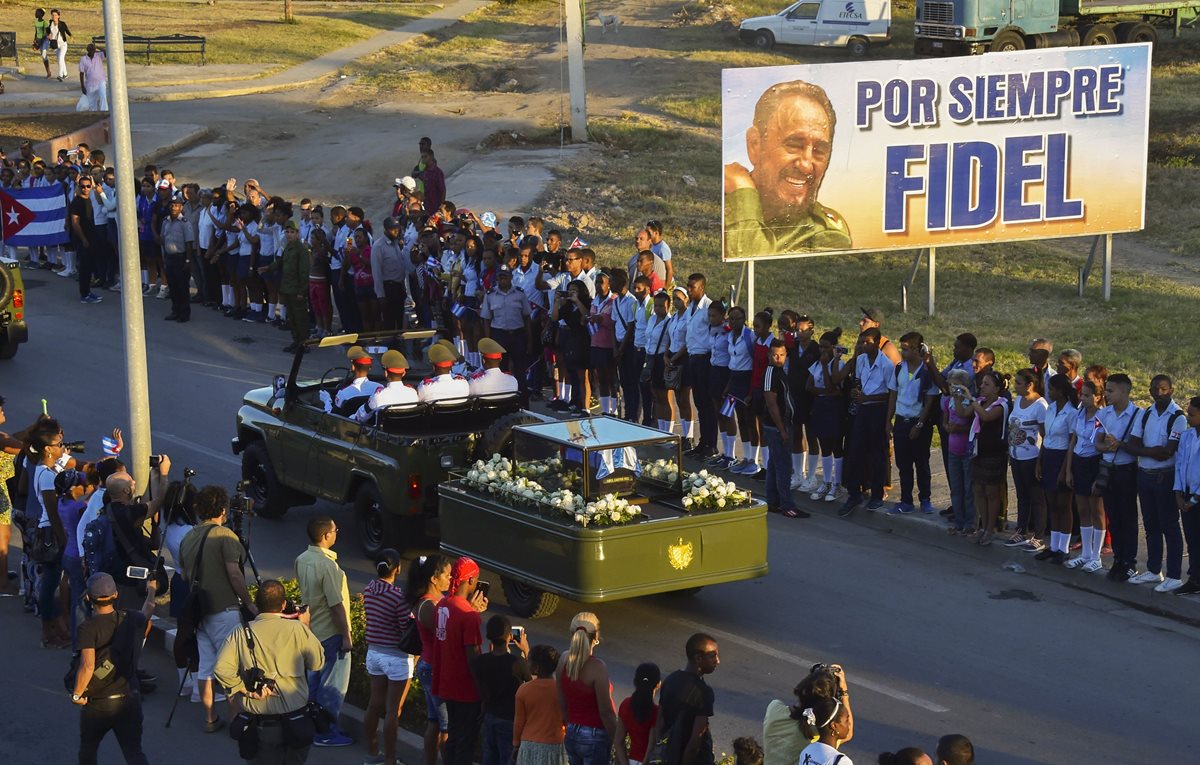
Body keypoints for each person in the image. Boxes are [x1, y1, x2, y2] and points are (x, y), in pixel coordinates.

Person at [724, 79, 850, 258]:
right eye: (794, 145)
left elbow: (757, 264)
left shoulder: (826, 235)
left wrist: (743, 198)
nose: (806, 165)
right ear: (755, 144)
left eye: (819, 150)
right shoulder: (721, 197)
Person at [213, 579, 326, 765]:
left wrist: (244, 689)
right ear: (283, 605)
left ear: (257, 605)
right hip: (296, 720)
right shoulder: (297, 629)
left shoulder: (241, 632)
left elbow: (221, 668)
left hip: (260, 726)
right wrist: (306, 625)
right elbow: (317, 663)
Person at [178, 485, 254, 732]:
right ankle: (236, 720)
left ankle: (210, 718)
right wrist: (249, 602)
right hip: (225, 609)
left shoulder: (189, 537)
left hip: (200, 611)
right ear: (223, 509)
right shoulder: (225, 535)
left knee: (207, 667)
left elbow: (183, 574)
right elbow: (235, 573)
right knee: (233, 668)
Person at [71, 572, 158, 765]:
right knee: (134, 753)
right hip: (129, 698)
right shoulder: (130, 618)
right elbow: (149, 608)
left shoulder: (88, 628)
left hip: (98, 703)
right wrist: (151, 589)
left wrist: (77, 694)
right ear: (115, 594)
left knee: (88, 750)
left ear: (89, 598)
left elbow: (87, 665)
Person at [294, 516, 354, 747]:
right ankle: (326, 732)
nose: (336, 533)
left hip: (313, 631)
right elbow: (336, 605)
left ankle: (311, 726)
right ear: (326, 536)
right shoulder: (328, 566)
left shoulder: (302, 559)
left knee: (314, 683)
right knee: (332, 686)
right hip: (331, 633)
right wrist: (346, 636)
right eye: (335, 530)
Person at [1124, 374, 1186, 591]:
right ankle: (1153, 570)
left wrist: (1143, 450)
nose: (1158, 393)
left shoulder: (1177, 416)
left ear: (1171, 390)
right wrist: (1152, 452)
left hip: (1164, 476)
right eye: (1155, 389)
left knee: (1169, 525)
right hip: (1145, 475)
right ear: (1149, 391)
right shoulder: (1146, 413)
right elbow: (1132, 445)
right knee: (1151, 524)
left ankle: (1174, 575)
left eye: (1163, 389)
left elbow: (1168, 451)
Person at [362, 548, 416, 765]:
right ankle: (391, 760)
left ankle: (372, 754)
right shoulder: (398, 596)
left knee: (374, 704)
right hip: (396, 658)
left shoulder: (368, 590)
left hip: (374, 654)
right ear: (398, 569)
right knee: (393, 710)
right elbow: (406, 629)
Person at [435, 556, 489, 765]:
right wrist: (483, 691)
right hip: (466, 690)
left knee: (453, 735)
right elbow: (472, 657)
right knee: (465, 743)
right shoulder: (468, 615)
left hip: (447, 684)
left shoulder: (442, 605)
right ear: (471, 580)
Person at [835, 328, 892, 517]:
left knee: (877, 453)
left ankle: (876, 494)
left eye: (868, 342)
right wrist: (856, 392)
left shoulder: (886, 364)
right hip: (862, 409)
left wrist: (869, 398)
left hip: (877, 409)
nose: (864, 346)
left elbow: (890, 393)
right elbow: (858, 382)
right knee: (855, 450)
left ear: (877, 342)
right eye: (861, 342)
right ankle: (854, 493)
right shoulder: (860, 361)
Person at [1094, 373, 1142, 582]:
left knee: (1127, 517)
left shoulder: (1137, 414)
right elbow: (1097, 442)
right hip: (1108, 469)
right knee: (1113, 516)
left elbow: (1136, 445)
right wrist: (1106, 447)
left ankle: (1129, 561)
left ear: (1124, 391)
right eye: (1106, 390)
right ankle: (1118, 558)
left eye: (1110, 390)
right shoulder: (1104, 413)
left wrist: (1119, 444)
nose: (1106, 394)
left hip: (1126, 470)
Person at [886, 332, 938, 515]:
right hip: (901, 421)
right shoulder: (899, 368)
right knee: (904, 464)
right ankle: (906, 500)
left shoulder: (926, 370)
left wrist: (920, 425)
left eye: (906, 349)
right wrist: (888, 420)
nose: (903, 352)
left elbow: (930, 400)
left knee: (922, 463)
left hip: (918, 423)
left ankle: (925, 499)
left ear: (917, 349)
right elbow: (893, 395)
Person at [556, 612, 617, 765]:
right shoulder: (597, 667)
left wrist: (570, 725)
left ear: (572, 634)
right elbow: (606, 712)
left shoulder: (564, 659)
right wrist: (618, 740)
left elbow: (562, 702)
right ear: (596, 637)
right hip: (595, 735)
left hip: (572, 732)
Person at [958, 370, 1009, 545]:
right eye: (982, 383)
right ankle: (982, 526)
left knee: (991, 492)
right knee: (979, 490)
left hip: (994, 454)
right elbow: (963, 413)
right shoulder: (980, 401)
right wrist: (957, 397)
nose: (982, 387)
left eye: (987, 384)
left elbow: (986, 416)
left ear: (997, 388)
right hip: (978, 452)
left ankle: (990, 528)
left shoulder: (1001, 405)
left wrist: (971, 399)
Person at [410, 554, 452, 765]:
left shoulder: (436, 601)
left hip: (432, 667)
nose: (450, 579)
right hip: (434, 669)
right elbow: (446, 636)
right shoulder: (428, 606)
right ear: (434, 579)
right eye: (447, 575)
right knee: (446, 727)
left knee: (434, 722)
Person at [474, 614, 531, 765]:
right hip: (510, 719)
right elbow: (532, 681)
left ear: (489, 637)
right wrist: (526, 650)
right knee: (507, 758)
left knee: (489, 756)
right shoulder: (517, 662)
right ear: (510, 636)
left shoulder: (481, 661)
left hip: (489, 716)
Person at [757, 339, 805, 518]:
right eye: (775, 355)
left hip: (781, 425)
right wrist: (782, 429)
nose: (778, 358)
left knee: (774, 464)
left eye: (782, 355)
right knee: (784, 466)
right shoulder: (771, 373)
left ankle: (773, 501)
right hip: (776, 426)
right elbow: (772, 404)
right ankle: (787, 505)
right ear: (769, 355)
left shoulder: (779, 371)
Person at [654, 633, 719, 765]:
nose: (717, 661)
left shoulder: (671, 680)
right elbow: (695, 741)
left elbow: (659, 722)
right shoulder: (703, 692)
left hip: (670, 756)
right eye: (713, 656)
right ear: (698, 658)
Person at [1064, 380, 1107, 572]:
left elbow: (1103, 446)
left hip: (1094, 463)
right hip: (1079, 462)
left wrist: (1099, 477)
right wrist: (1069, 470)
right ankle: (1086, 554)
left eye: (1088, 395)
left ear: (1098, 397)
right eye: (1082, 394)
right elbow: (1073, 442)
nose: (1083, 398)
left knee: (1096, 510)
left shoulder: (1103, 417)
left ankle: (1096, 556)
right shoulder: (1079, 414)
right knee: (1082, 509)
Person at [1004, 368, 1049, 550]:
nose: (1015, 386)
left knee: (1037, 497)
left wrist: (1040, 462)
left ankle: (1039, 535)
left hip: (1032, 457)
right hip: (1016, 456)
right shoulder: (1019, 401)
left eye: (1019, 383)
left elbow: (1045, 436)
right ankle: (1021, 530)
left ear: (1030, 385)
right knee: (1022, 495)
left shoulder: (1040, 406)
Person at [1034, 374, 1077, 563]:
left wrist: (1064, 470)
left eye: (1051, 389)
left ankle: (1063, 548)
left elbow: (1071, 443)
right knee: (1052, 503)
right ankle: (1054, 546)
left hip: (1062, 457)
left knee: (1063, 505)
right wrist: (1039, 462)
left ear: (1060, 391)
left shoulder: (1072, 413)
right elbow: (1046, 437)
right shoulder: (1050, 409)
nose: (1049, 392)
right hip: (1049, 455)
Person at [514, 644, 567, 765]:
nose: (527, 663)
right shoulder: (562, 690)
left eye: (529, 661)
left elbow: (519, 722)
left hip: (528, 746)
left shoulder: (524, 690)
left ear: (536, 667)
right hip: (555, 745)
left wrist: (516, 745)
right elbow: (567, 719)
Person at [263, 220, 311, 352]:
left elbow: (304, 272)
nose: (289, 234)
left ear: (297, 233)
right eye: (287, 232)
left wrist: (302, 291)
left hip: (296, 289)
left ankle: (304, 344)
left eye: (292, 232)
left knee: (300, 318)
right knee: (292, 317)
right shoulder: (288, 247)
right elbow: (280, 262)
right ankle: (296, 341)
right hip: (288, 287)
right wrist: (268, 268)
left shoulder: (301, 250)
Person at [1171, 396, 1200, 596]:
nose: (1188, 417)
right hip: (1187, 494)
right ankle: (1195, 578)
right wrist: (1178, 493)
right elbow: (1180, 464)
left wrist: (1195, 499)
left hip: (1197, 496)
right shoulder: (1187, 436)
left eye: (1192, 414)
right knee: (1192, 539)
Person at [941, 369, 975, 534]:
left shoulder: (970, 403)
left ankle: (970, 521)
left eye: (956, 385)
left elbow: (972, 426)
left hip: (966, 450)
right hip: (953, 449)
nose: (952, 388)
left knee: (968, 488)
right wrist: (948, 427)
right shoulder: (949, 402)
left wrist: (959, 428)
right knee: (956, 487)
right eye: (951, 385)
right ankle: (959, 520)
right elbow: (945, 420)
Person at [161, 193, 197, 322]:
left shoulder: (184, 223)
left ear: (181, 207)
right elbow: (163, 239)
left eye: (177, 205)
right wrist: (164, 256)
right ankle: (175, 311)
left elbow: (189, 243)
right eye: (172, 205)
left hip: (181, 258)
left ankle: (184, 314)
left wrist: (188, 260)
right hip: (169, 257)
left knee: (182, 287)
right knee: (173, 287)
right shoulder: (165, 221)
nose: (174, 208)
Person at [354, 350, 418, 423]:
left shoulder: (378, 397)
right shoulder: (413, 393)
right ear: (403, 373)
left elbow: (361, 417)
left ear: (386, 373)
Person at [615, 663, 659, 765]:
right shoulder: (656, 711)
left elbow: (618, 741)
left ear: (635, 681)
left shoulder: (626, 704)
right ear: (658, 684)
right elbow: (651, 746)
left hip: (631, 761)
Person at [794, 694, 854, 765]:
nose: (849, 724)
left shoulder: (807, 751)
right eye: (846, 720)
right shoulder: (841, 761)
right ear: (834, 725)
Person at [78, 43, 108, 111]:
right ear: (88, 50)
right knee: (92, 104)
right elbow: (81, 73)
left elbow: (106, 52)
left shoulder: (99, 55)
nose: (93, 52)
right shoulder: (83, 59)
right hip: (90, 85)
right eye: (91, 50)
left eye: (94, 50)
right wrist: (82, 86)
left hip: (100, 82)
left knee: (103, 97)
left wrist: (97, 46)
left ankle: (104, 112)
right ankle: (94, 114)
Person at [46, 8, 72, 81]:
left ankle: (60, 75)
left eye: (55, 15)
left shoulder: (62, 24)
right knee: (60, 60)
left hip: (63, 44)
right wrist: (48, 35)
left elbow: (67, 31)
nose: (54, 16)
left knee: (61, 58)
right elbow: (47, 31)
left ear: (58, 16)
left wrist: (71, 36)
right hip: (55, 45)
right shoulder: (50, 23)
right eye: (52, 15)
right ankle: (65, 74)